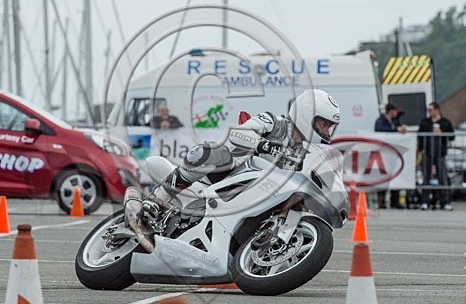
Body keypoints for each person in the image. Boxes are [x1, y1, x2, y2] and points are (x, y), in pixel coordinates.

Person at [138, 89, 341, 219]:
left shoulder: (307, 154)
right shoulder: (274, 122)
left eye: (329, 127)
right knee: (213, 153)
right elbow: (238, 133)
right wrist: (265, 145)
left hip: (258, 198)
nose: (325, 132)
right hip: (227, 178)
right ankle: (157, 199)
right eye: (323, 124)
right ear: (306, 114)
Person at [417, 101, 455, 211]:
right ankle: (424, 201)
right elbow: (420, 136)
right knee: (426, 178)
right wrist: (421, 149)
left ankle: (445, 202)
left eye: (431, 110)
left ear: (437, 110)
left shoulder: (445, 122)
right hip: (428, 153)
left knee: (442, 178)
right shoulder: (425, 122)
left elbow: (452, 135)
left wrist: (442, 132)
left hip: (440, 153)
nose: (429, 112)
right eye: (428, 110)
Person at [374, 102, 407, 209]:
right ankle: (382, 200)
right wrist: (396, 130)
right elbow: (380, 130)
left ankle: (395, 201)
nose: (396, 113)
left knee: (395, 176)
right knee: (383, 176)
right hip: (383, 153)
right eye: (394, 111)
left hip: (394, 153)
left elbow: (398, 128)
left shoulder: (395, 121)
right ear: (390, 111)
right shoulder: (380, 120)